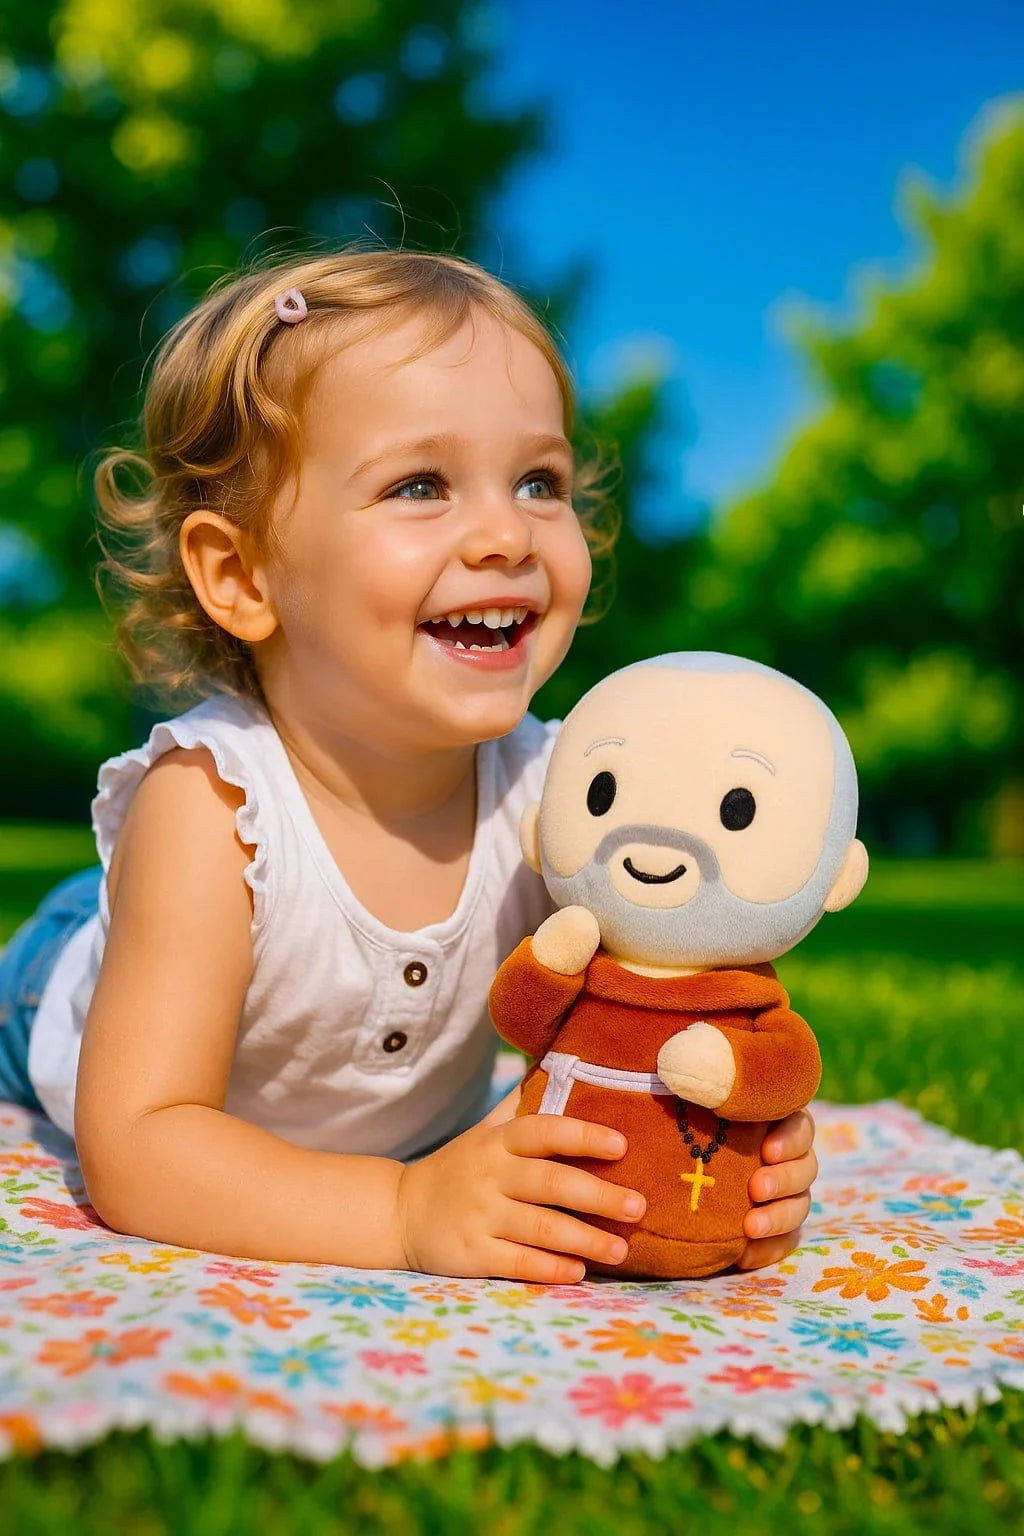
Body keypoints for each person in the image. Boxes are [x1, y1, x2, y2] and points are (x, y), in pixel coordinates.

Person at [0, 248, 818, 1283]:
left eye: (538, 480)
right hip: (57, 989)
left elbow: (650, 1018)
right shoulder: (208, 806)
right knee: (81, 973)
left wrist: (729, 1158)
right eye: (421, 484)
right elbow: (141, 1147)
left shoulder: (562, 797)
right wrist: (399, 1209)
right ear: (241, 574)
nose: (505, 533)